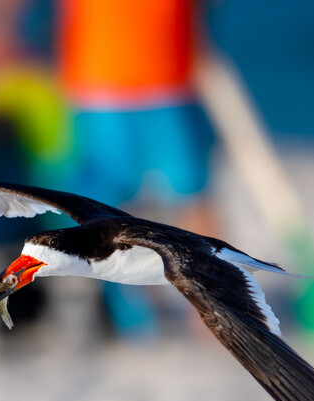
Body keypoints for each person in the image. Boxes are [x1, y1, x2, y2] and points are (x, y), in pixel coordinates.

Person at [56, 0, 218, 338]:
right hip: (100, 80)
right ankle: (140, 314)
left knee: (189, 192)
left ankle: (210, 305)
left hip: (165, 74)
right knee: (116, 204)